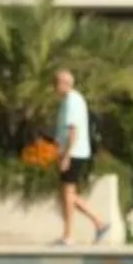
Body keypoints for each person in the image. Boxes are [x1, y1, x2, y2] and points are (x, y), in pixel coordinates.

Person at [53, 68, 110, 249]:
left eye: (56, 83)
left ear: (64, 84)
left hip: (74, 153)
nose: (54, 88)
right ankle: (99, 223)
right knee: (68, 195)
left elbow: (73, 131)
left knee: (68, 195)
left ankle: (70, 235)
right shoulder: (71, 100)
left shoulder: (71, 101)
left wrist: (67, 155)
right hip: (73, 152)